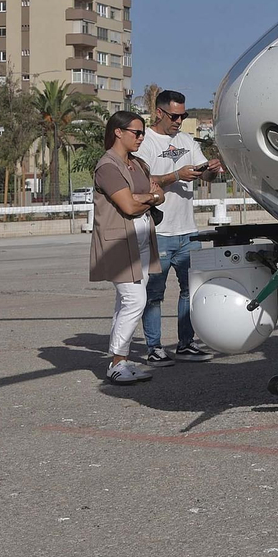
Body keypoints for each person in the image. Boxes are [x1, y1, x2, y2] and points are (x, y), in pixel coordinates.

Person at [136, 89, 226, 364]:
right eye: (174, 116)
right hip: (159, 232)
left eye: (183, 116)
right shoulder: (145, 141)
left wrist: (211, 169)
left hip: (188, 232)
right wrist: (176, 175)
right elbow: (142, 180)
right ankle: (154, 348)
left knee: (191, 291)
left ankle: (186, 345)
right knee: (154, 294)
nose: (179, 121)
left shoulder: (186, 140)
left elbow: (204, 176)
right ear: (159, 112)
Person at [89, 111, 167, 385]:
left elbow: (159, 195)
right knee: (135, 301)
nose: (141, 137)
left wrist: (146, 196)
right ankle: (116, 363)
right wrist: (149, 197)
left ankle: (120, 361)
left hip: (142, 241)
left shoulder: (138, 164)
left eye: (143, 132)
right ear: (118, 132)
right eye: (136, 132)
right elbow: (129, 206)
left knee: (125, 302)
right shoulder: (108, 167)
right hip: (119, 244)